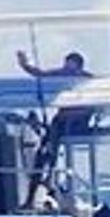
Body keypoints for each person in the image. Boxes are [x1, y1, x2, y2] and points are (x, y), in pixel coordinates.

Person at [16, 51, 90, 206]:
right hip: (60, 124)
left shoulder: (89, 81)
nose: (67, 72)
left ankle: (50, 178)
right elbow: (39, 74)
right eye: (65, 67)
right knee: (44, 153)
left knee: (53, 142)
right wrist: (24, 64)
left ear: (79, 67)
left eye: (71, 68)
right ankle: (37, 189)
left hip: (77, 124)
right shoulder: (60, 76)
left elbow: (92, 108)